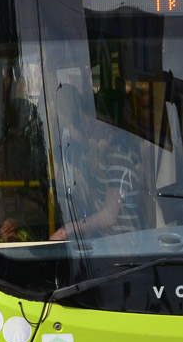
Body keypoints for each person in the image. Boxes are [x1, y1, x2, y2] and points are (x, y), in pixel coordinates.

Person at [49, 94, 147, 241]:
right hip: (106, 244)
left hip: (123, 248)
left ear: (106, 121)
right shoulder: (107, 153)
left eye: (89, 120)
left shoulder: (119, 157)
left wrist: (67, 230)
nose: (85, 126)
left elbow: (109, 216)